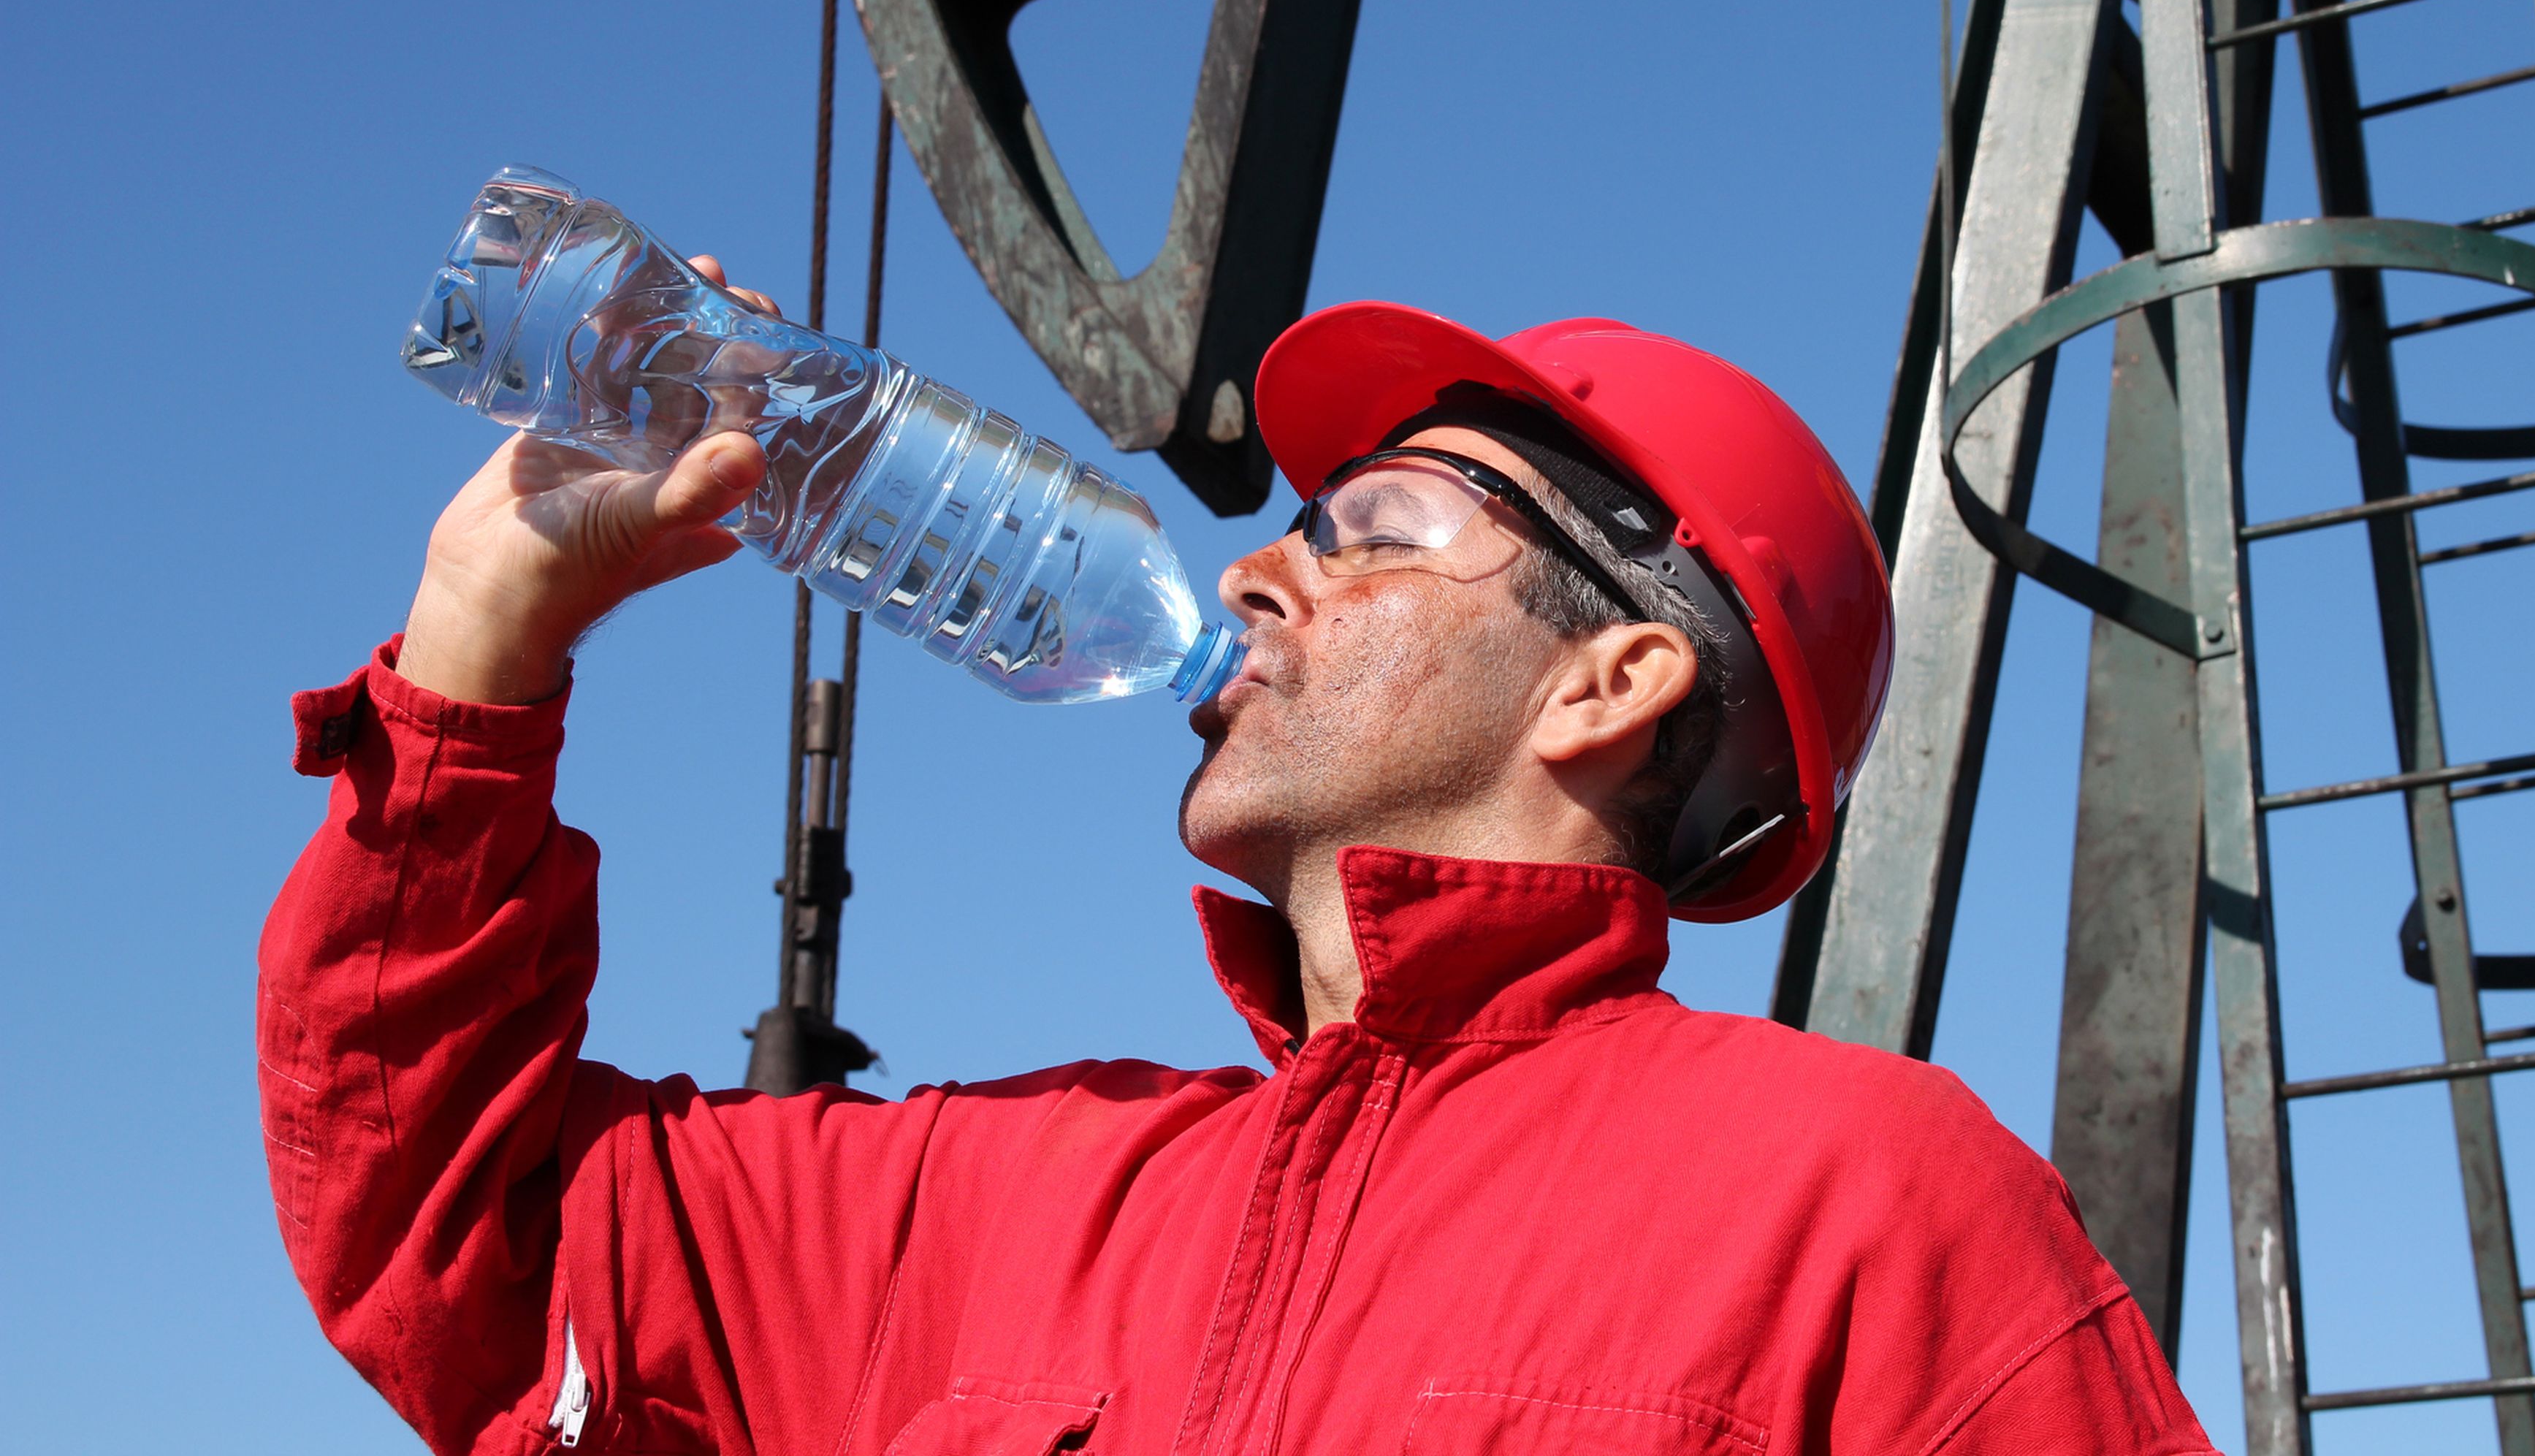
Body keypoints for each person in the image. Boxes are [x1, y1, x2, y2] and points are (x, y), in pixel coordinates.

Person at [262, 293, 2214, 1456]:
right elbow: (464, 1239)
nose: (1261, 569)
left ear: (1612, 681)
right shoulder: (1005, 1203)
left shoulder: (1856, 1203)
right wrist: (482, 635)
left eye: (1372, 528)